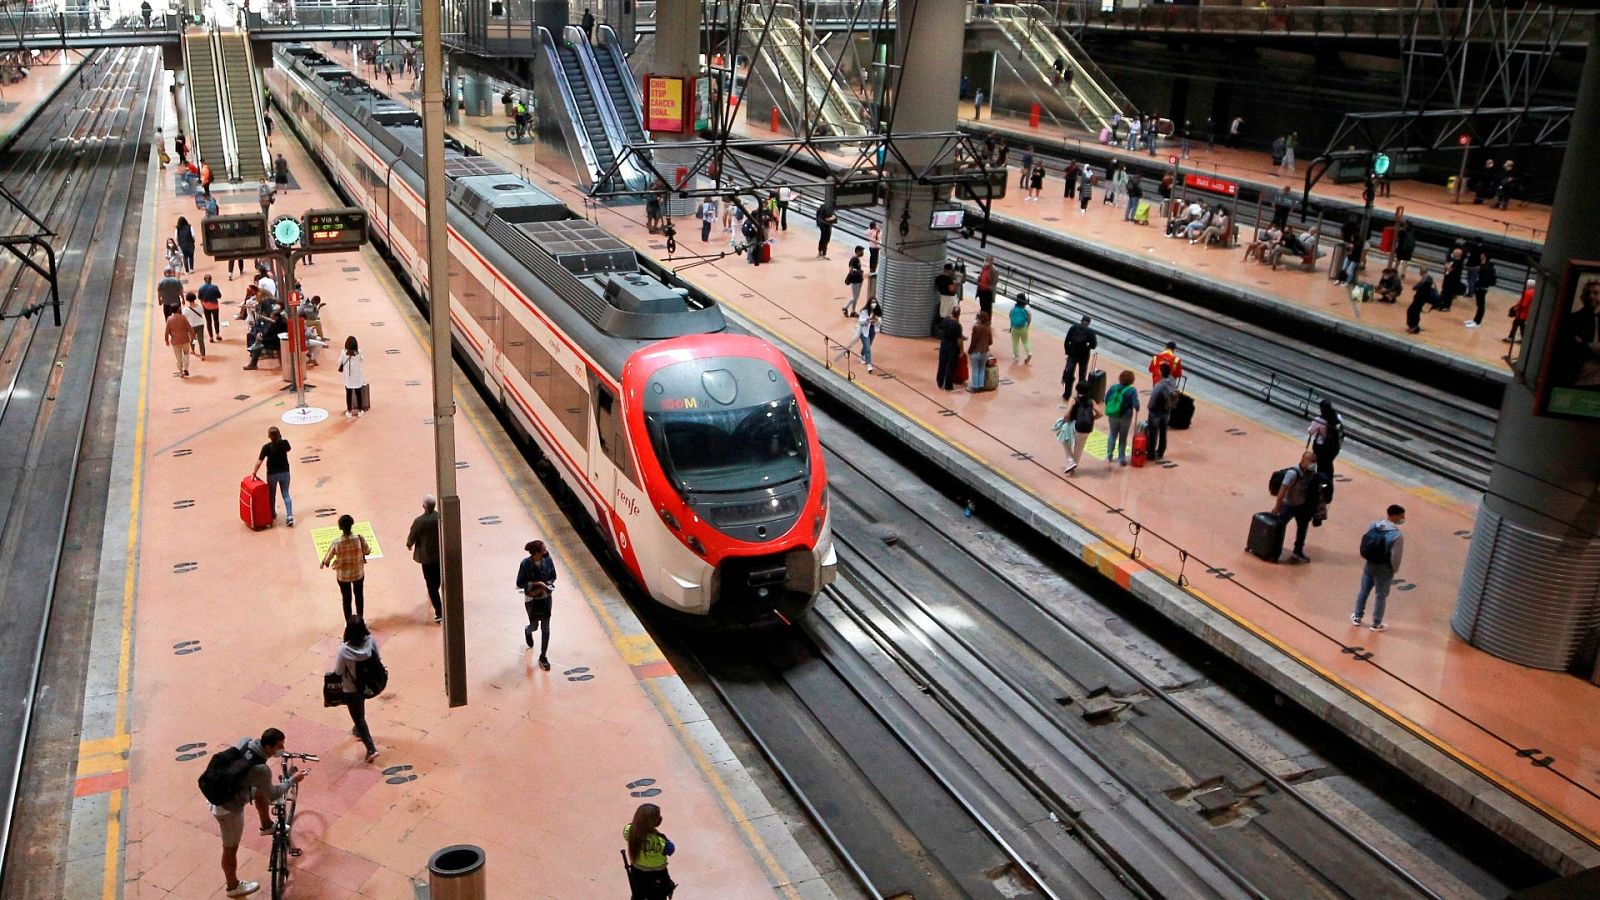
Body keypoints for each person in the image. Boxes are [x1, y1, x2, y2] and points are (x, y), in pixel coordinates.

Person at [209, 727, 307, 898]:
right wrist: (292, 780)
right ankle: (233, 886)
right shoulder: (261, 770)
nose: (282, 748)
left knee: (259, 789)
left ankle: (266, 824)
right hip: (227, 808)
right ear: (268, 747)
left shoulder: (246, 742)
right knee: (230, 849)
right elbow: (274, 794)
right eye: (279, 746)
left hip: (218, 790)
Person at [334, 617, 381, 762]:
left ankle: (371, 748)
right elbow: (377, 657)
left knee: (358, 716)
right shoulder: (370, 641)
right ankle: (358, 731)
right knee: (360, 708)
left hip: (351, 688)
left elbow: (338, 671)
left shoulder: (344, 650)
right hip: (367, 684)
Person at [1352, 505, 1406, 632]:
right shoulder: (1396, 535)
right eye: (1402, 516)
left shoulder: (1374, 525)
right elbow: (1396, 557)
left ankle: (1357, 617)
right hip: (1384, 569)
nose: (1403, 519)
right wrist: (1393, 570)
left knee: (1363, 591)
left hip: (1370, 564)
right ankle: (1376, 623)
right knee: (1381, 596)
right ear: (1395, 516)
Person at [1271, 450, 1322, 563]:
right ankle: (1274, 552)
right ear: (1303, 460)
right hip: (1288, 505)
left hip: (1301, 505)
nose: (1313, 464)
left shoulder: (1311, 473)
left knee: (1302, 528)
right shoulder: (1292, 473)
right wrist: (1277, 506)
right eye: (1311, 461)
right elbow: (1282, 491)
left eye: (1315, 461)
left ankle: (1298, 551)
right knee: (1279, 528)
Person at [516, 540, 557, 670]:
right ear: (536, 553)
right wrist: (536, 584)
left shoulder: (548, 560)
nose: (546, 551)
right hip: (532, 599)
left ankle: (543, 656)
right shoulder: (525, 564)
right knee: (534, 626)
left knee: (546, 628)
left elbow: (553, 576)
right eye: (543, 550)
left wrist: (548, 584)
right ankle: (528, 630)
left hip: (545, 598)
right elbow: (520, 582)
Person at [624, 802, 677, 900]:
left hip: (637, 872)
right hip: (658, 874)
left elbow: (627, 832)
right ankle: (669, 888)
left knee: (638, 894)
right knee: (659, 895)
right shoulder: (661, 840)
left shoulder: (630, 831)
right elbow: (671, 850)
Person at [321, 514, 370, 619]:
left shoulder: (336, 543)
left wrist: (325, 562)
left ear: (340, 527)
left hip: (343, 576)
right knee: (359, 595)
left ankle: (348, 621)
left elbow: (327, 559)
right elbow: (367, 551)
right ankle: (360, 618)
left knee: (346, 598)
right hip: (358, 573)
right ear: (352, 525)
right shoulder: (359, 538)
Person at [406, 495, 442, 622]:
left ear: (424, 506)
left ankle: (439, 611)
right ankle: (435, 592)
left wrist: (409, 544)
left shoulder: (419, 521)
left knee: (430, 583)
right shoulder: (440, 517)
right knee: (437, 579)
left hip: (426, 556)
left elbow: (413, 535)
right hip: (439, 554)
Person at [250, 426, 294, 526]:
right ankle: (289, 516)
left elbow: (259, 462)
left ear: (269, 436)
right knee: (286, 494)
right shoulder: (285, 443)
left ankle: (272, 514)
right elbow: (288, 449)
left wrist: (254, 473)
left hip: (272, 474)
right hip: (284, 472)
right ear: (279, 434)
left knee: (271, 495)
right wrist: (280, 438)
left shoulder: (266, 447)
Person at [1058, 382, 1097, 474]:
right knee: (1079, 448)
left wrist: (1065, 421)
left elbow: (1066, 414)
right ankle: (1072, 467)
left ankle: (1070, 461)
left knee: (1064, 440)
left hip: (1075, 425)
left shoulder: (1073, 400)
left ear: (1077, 389)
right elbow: (1100, 413)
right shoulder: (1091, 401)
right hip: (1087, 427)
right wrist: (1092, 418)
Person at [1103, 370, 1140, 465]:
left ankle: (1109, 455)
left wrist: (1113, 408)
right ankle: (1121, 458)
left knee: (1112, 434)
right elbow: (1136, 404)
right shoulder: (1132, 390)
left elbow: (1106, 399)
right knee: (1123, 436)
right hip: (1126, 416)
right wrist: (1137, 408)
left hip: (1113, 415)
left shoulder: (1113, 388)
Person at [1147, 363, 1180, 461]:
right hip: (1167, 411)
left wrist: (1149, 407)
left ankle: (1151, 454)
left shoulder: (1159, 386)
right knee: (1163, 432)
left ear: (1161, 372)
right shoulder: (1172, 381)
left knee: (1153, 433)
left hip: (1156, 413)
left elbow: (1153, 399)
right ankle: (1161, 451)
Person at [1307, 398, 1344, 478]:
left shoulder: (1319, 420)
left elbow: (1310, 431)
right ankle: (1328, 480)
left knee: (1321, 466)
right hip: (1334, 447)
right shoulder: (1338, 417)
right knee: (1329, 464)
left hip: (1321, 447)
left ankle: (1320, 480)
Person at [1062, 315, 1096, 393]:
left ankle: (1067, 393)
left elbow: (1066, 341)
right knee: (1082, 375)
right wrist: (1088, 346)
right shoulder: (1091, 332)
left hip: (1072, 354)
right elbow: (1094, 345)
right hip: (1084, 355)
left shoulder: (1073, 328)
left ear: (1081, 321)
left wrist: (1067, 351)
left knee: (1069, 373)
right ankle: (1080, 393)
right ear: (1089, 323)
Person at [338, 335, 367, 418]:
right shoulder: (358, 352)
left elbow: (340, 361)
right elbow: (362, 359)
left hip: (348, 378)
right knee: (358, 394)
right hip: (357, 378)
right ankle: (360, 411)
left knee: (349, 394)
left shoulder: (343, 353)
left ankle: (349, 411)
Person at [935, 308, 963, 391]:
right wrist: (961, 350)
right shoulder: (958, 326)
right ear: (959, 314)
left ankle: (940, 382)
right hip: (952, 346)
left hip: (944, 345)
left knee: (942, 364)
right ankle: (948, 385)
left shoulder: (945, 321)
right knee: (950, 366)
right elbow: (959, 339)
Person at [1467, 250, 1496, 328]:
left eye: (1482, 255)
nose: (1480, 256)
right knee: (1479, 305)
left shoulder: (1486, 267)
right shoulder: (1484, 265)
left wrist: (1478, 286)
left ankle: (1477, 322)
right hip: (1481, 287)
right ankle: (1475, 320)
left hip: (1482, 288)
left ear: (1484, 257)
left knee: (1481, 305)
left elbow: (1484, 279)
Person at [967, 311, 993, 392]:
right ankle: (981, 386)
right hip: (985, 351)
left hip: (976, 351)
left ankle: (975, 387)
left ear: (980, 319)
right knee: (982, 369)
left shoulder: (976, 328)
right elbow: (990, 342)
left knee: (975, 369)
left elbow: (973, 342)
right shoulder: (988, 328)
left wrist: (969, 351)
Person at [165, 306, 193, 377]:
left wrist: (166, 340)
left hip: (175, 341)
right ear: (179, 309)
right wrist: (193, 335)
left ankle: (180, 372)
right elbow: (189, 327)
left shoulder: (169, 319)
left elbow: (167, 331)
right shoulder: (183, 317)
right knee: (186, 353)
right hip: (185, 339)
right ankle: (185, 367)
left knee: (178, 357)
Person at [1406, 268, 1436, 334]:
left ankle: (1414, 326)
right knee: (1413, 311)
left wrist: (1417, 286)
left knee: (1413, 311)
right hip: (1421, 298)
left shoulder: (1426, 278)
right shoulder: (1428, 278)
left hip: (1420, 298)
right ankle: (1413, 325)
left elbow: (1416, 286)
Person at [1506, 277, 1535, 345]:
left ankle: (1511, 337)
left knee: (1516, 324)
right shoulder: (1534, 292)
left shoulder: (1527, 292)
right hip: (1527, 312)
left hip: (1522, 313)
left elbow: (1524, 304)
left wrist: (1516, 308)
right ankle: (1522, 339)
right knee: (1521, 326)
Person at [198, 273, 223, 341]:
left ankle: (211, 337)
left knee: (208, 321)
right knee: (216, 320)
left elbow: (199, 297)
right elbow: (219, 296)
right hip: (214, 306)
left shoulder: (201, 288)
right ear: (211, 280)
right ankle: (217, 334)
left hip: (205, 306)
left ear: (204, 280)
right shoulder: (215, 287)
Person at [1008, 293, 1032, 363]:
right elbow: (1029, 317)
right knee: (1026, 341)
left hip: (1015, 328)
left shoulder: (1013, 307)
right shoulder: (1027, 307)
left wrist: (1011, 326)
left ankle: (1016, 356)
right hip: (1024, 327)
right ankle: (1029, 353)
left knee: (1015, 342)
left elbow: (1010, 315)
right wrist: (1028, 325)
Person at [183, 293, 208, 361]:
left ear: (187, 299)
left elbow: (184, 318)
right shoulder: (200, 306)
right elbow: (202, 312)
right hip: (200, 324)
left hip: (191, 326)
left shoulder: (186, 309)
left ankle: (193, 350)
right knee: (201, 340)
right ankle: (202, 354)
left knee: (192, 339)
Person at [842, 246, 865, 317]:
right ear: (857, 251)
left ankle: (853, 311)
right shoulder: (854, 259)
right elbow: (851, 270)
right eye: (861, 251)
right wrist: (859, 272)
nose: (862, 253)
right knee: (855, 297)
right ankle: (846, 307)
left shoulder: (857, 259)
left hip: (859, 280)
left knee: (856, 297)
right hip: (855, 281)